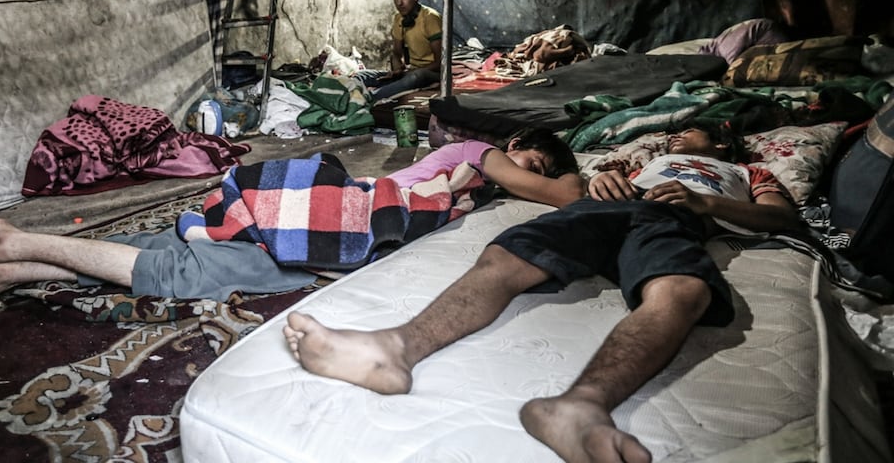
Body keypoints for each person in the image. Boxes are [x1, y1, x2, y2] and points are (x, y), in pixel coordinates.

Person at [283, 123, 803, 463]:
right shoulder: (641, 163)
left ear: (720, 145)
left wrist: (707, 204)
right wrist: (603, 182)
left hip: (673, 218)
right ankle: (393, 348)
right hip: (607, 207)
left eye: (687, 137)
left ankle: (581, 407)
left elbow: (783, 216)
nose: (674, 143)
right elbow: (581, 187)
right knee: (510, 251)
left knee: (685, 290)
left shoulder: (745, 171)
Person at [0, 129, 584, 316]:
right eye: (529, 157)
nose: (519, 168)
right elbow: (562, 198)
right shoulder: (476, 155)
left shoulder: (466, 170)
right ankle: (15, 238)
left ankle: (3, 270)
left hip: (327, 202)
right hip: (341, 213)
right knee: (196, 272)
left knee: (181, 235)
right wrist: (575, 178)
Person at [360, 0, 443, 102]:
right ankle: (347, 92)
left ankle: (371, 98)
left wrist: (410, 73)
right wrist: (397, 70)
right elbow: (396, 54)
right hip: (411, 72)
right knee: (363, 75)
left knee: (416, 76)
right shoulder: (399, 19)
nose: (399, 3)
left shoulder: (430, 18)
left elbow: (440, 62)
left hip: (431, 73)